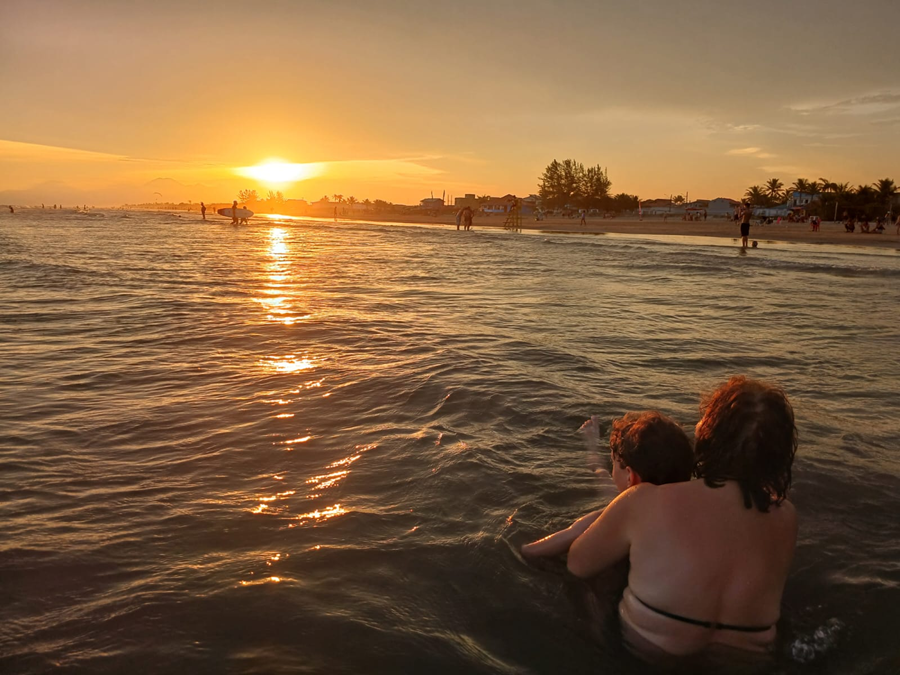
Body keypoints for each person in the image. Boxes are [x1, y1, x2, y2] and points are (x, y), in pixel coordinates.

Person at [563, 376, 797, 657]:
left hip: (646, 653)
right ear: (779, 453)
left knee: (598, 582)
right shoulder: (787, 517)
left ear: (708, 435)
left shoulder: (646, 500)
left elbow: (578, 564)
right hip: (747, 661)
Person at [522, 411, 693, 559]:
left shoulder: (602, 521)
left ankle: (592, 444)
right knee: (605, 479)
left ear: (630, 476)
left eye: (614, 463)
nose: (612, 471)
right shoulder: (690, 515)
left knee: (609, 490)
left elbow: (531, 551)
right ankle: (592, 443)